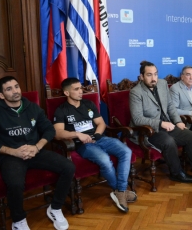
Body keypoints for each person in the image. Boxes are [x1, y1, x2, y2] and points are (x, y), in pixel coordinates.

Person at [0, 76, 75, 230]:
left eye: (16, 86)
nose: (15, 91)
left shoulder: (32, 107)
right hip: (11, 156)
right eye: (9, 89)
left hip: (35, 151)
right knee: (15, 183)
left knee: (69, 167)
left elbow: (49, 129)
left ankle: (55, 208)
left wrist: (37, 147)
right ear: (1, 95)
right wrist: (12, 152)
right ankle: (18, 220)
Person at [129, 61, 192, 189]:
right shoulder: (135, 92)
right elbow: (137, 119)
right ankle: (177, 173)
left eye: (155, 74)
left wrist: (178, 121)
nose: (154, 78)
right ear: (141, 76)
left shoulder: (162, 83)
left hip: (169, 125)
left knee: (190, 135)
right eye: (149, 75)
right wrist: (161, 123)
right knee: (168, 141)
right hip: (148, 131)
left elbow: (170, 106)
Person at [52, 78, 136, 213]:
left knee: (126, 151)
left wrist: (96, 135)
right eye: (76, 89)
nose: (81, 92)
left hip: (99, 138)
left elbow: (101, 123)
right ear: (66, 93)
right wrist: (77, 135)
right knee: (104, 160)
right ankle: (121, 191)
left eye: (81, 88)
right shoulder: (61, 110)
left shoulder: (88, 104)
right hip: (82, 144)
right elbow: (58, 133)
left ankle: (120, 191)